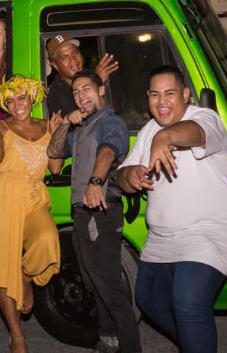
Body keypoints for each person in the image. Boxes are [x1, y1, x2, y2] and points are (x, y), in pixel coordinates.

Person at [116, 65, 227, 353]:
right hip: (163, 236)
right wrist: (132, 175)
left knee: (188, 302)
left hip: (210, 229)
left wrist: (167, 138)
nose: (161, 101)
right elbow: (122, 178)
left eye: (170, 93)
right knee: (149, 299)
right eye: (154, 94)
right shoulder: (149, 130)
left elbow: (196, 134)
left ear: (185, 95)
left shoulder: (203, 117)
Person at [47, 69, 141, 353]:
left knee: (109, 286)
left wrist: (95, 182)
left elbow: (108, 151)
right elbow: (53, 152)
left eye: (86, 89)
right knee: (93, 281)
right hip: (83, 215)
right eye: (75, 92)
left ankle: (130, 347)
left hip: (100, 213)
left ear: (101, 91)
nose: (80, 96)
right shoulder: (82, 127)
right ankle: (109, 338)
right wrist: (65, 123)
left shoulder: (109, 122)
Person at [0, 74, 60, 353]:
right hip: (2, 197)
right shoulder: (0, 126)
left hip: (34, 197)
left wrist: (59, 132)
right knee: (1, 269)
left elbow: (56, 167)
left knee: (47, 238)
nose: (17, 104)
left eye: (21, 97)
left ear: (32, 97)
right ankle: (17, 335)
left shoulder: (48, 125)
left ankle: (26, 277)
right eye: (10, 100)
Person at [44, 33, 119, 117]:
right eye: (64, 57)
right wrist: (97, 82)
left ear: (82, 55)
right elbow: (84, 123)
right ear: (56, 66)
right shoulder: (56, 95)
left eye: (75, 52)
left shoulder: (91, 74)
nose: (73, 60)